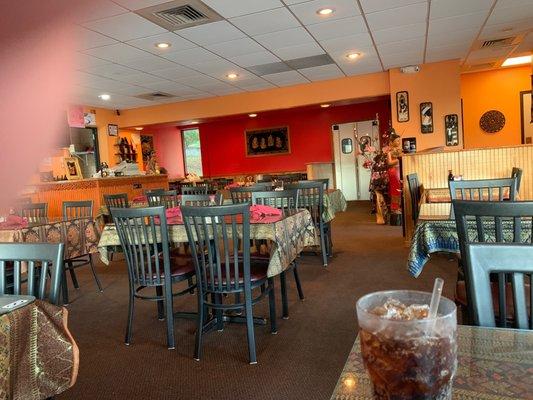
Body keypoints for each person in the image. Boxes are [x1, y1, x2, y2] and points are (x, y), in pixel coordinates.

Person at [386, 131, 402, 214]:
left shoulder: (399, 150)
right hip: (393, 171)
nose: (399, 142)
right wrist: (398, 159)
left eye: (399, 140)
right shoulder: (389, 152)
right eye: (397, 141)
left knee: (400, 188)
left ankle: (399, 206)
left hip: (399, 171)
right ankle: (394, 207)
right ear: (391, 142)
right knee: (395, 189)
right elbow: (389, 163)